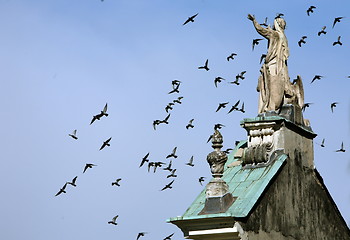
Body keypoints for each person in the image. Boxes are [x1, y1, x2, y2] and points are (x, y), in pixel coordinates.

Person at [248, 14, 295, 113]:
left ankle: (268, 106)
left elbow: (262, 30)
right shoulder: (284, 37)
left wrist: (254, 21)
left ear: (276, 24)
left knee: (269, 84)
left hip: (273, 63)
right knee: (278, 83)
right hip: (281, 65)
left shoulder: (275, 35)